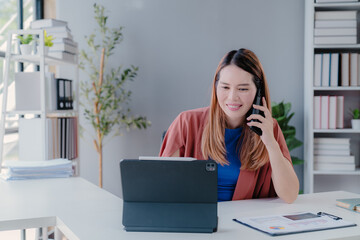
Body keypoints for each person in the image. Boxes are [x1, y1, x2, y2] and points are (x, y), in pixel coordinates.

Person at [159, 48, 299, 204]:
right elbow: (163, 187)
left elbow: (290, 195)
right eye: (225, 87)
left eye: (243, 89)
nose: (232, 97)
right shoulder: (186, 122)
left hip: (243, 221)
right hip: (195, 218)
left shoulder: (269, 128)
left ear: (258, 93)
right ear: (216, 87)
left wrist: (271, 143)